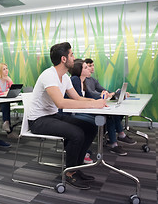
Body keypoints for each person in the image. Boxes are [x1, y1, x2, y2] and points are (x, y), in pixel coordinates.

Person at [28, 42, 106, 190]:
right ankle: (69, 173)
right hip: (38, 121)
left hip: (52, 116)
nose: (74, 58)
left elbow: (76, 98)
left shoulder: (65, 77)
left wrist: (97, 101)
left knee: (90, 128)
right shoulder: (49, 75)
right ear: (64, 59)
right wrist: (93, 105)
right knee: (76, 134)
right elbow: (61, 103)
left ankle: (76, 167)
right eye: (71, 54)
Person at [68, 59, 129, 156]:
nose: (90, 69)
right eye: (86, 67)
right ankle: (83, 150)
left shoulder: (83, 82)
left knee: (107, 117)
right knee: (96, 122)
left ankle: (111, 143)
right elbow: (79, 99)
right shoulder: (75, 80)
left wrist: (101, 98)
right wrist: (97, 100)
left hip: (80, 109)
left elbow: (86, 97)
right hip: (72, 112)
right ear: (79, 70)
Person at [84, 58, 137, 146]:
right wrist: (107, 95)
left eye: (93, 65)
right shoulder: (83, 80)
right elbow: (91, 93)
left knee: (114, 115)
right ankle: (116, 140)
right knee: (111, 116)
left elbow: (104, 90)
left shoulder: (93, 80)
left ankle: (120, 135)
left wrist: (115, 93)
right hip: (91, 106)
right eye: (89, 66)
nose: (92, 68)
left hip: (98, 103)